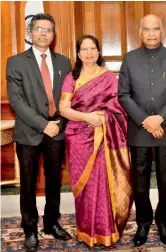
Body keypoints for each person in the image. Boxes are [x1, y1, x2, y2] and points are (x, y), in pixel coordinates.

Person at [118, 14, 166, 246]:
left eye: (155, 29)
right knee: (140, 180)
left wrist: (160, 119)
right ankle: (144, 222)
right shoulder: (129, 59)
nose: (151, 33)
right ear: (140, 32)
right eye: (146, 29)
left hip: (165, 128)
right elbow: (123, 95)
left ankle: (164, 221)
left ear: (161, 31)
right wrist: (145, 120)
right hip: (139, 129)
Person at [59, 35, 133, 247]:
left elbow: (118, 106)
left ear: (99, 52)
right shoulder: (71, 78)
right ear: (79, 53)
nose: (89, 53)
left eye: (93, 49)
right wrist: (87, 117)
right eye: (85, 49)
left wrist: (101, 118)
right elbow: (64, 109)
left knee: (103, 182)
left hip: (104, 136)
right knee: (84, 185)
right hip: (78, 137)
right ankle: (86, 230)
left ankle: (105, 230)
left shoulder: (108, 77)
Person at [6, 13, 72, 252]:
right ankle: (30, 228)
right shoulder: (15, 62)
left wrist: (59, 123)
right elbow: (17, 100)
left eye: (48, 30)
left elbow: (70, 98)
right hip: (30, 131)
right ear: (30, 33)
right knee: (28, 182)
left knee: (55, 181)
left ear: (53, 35)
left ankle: (51, 223)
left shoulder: (64, 62)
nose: (44, 33)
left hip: (57, 130)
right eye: (39, 29)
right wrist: (43, 125)